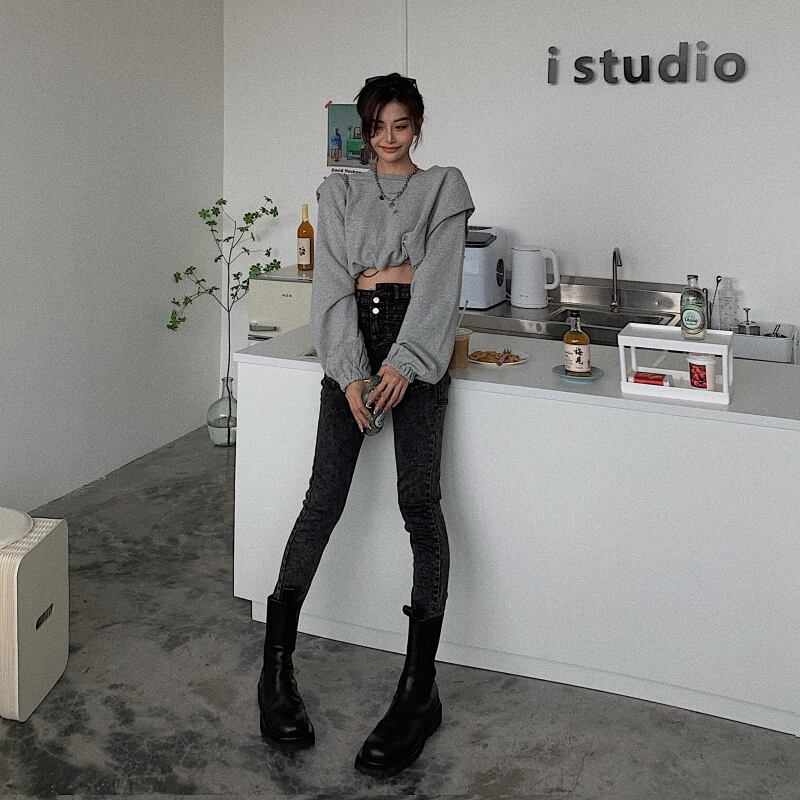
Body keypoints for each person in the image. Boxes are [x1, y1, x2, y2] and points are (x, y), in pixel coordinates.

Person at [257, 72, 474, 778]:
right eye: (377, 126)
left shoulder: (443, 187)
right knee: (322, 500)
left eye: (400, 125)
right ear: (364, 130)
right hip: (353, 340)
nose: (388, 138)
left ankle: (419, 690)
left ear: (418, 126)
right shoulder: (340, 192)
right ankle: (276, 670)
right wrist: (351, 372)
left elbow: (439, 285)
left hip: (416, 346)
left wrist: (406, 362)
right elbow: (332, 284)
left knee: (420, 504)